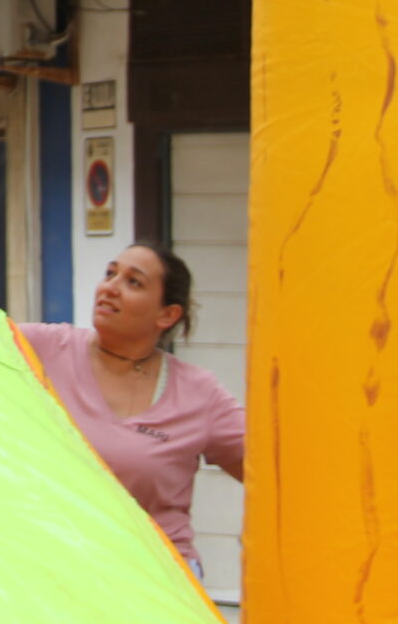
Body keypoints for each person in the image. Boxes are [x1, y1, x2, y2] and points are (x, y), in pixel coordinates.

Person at [18, 243, 244, 574]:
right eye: (110, 274)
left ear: (167, 315)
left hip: (159, 579)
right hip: (59, 568)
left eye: (133, 282)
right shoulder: (42, 348)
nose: (110, 287)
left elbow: (276, 472)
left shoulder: (199, 394)